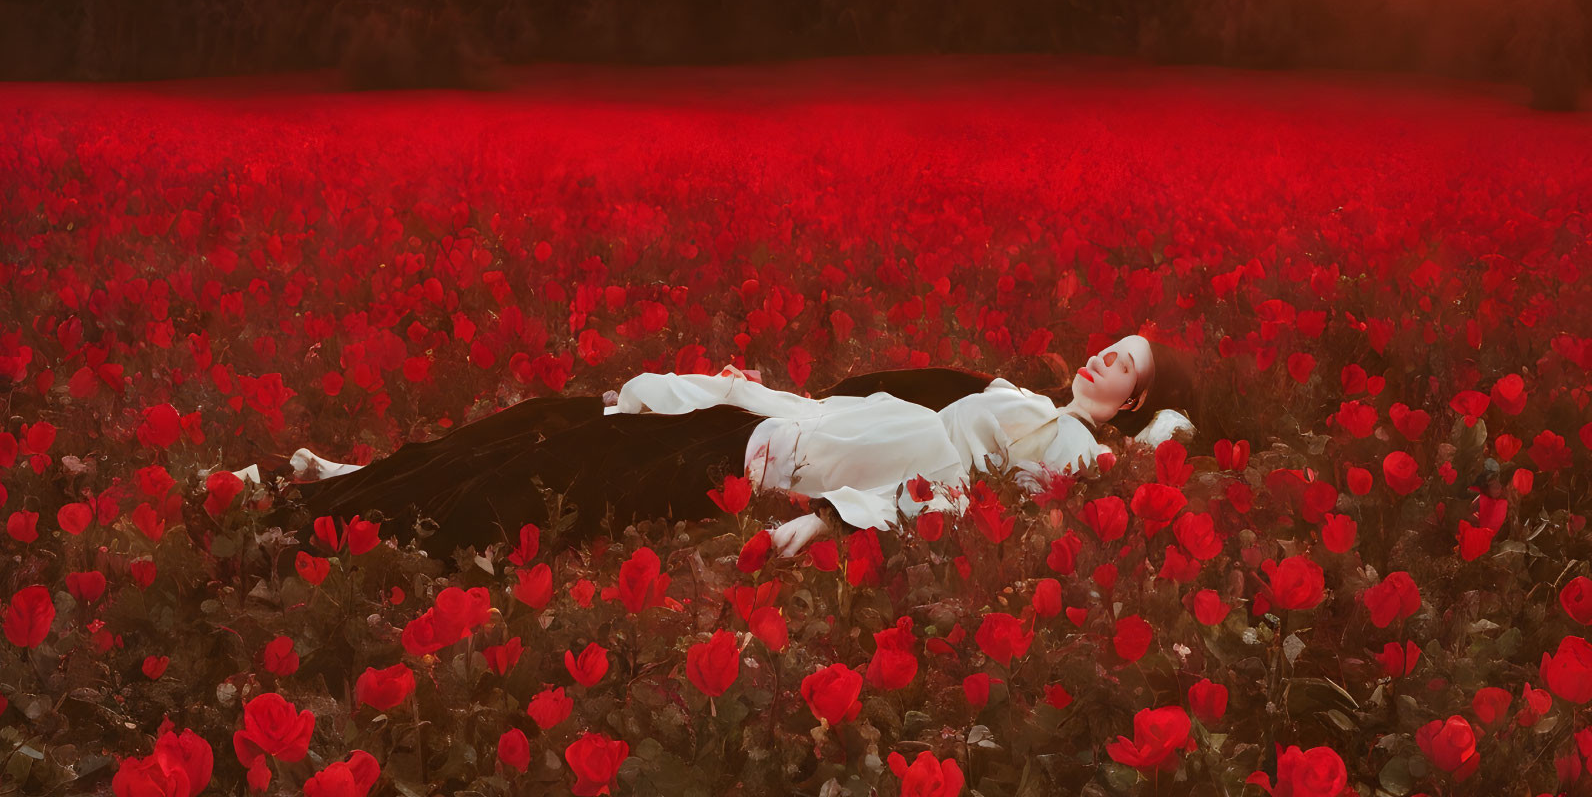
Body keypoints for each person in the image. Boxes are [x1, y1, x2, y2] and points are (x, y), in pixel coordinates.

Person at [278, 334, 1203, 560]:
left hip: (805, 462)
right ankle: (363, 481)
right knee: (553, 420)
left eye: (1125, 365)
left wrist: (830, 527)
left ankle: (338, 521)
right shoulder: (1014, 395)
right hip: (804, 423)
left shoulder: (1075, 458)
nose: (1103, 355)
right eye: (1108, 342)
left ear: (1131, 403)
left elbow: (954, 495)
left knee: (560, 468)